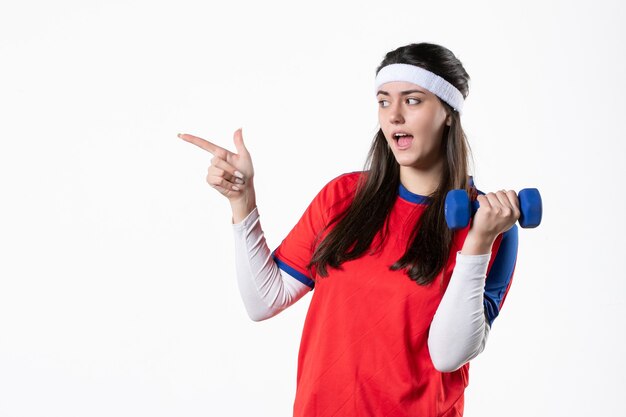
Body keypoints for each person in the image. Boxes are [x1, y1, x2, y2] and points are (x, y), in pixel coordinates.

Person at [179, 42, 520, 417]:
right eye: (384, 101)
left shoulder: (489, 226)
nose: (394, 116)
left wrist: (478, 244)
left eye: (412, 101)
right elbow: (265, 300)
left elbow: (447, 355)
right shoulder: (343, 197)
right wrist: (242, 203)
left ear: (448, 114)